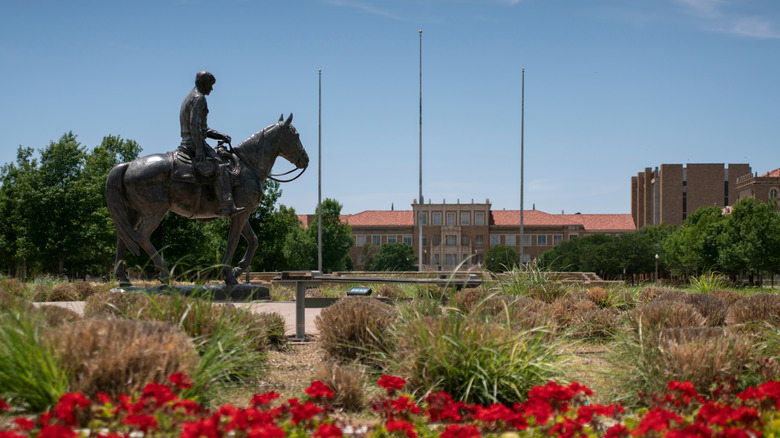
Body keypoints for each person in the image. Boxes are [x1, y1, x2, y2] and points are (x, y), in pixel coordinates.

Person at [179, 71, 244, 216]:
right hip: (194, 143)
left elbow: (202, 128)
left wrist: (220, 135)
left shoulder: (190, 97)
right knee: (221, 166)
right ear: (204, 83)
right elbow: (194, 126)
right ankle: (227, 205)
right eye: (211, 85)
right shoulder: (199, 98)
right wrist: (199, 149)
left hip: (190, 140)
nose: (212, 89)